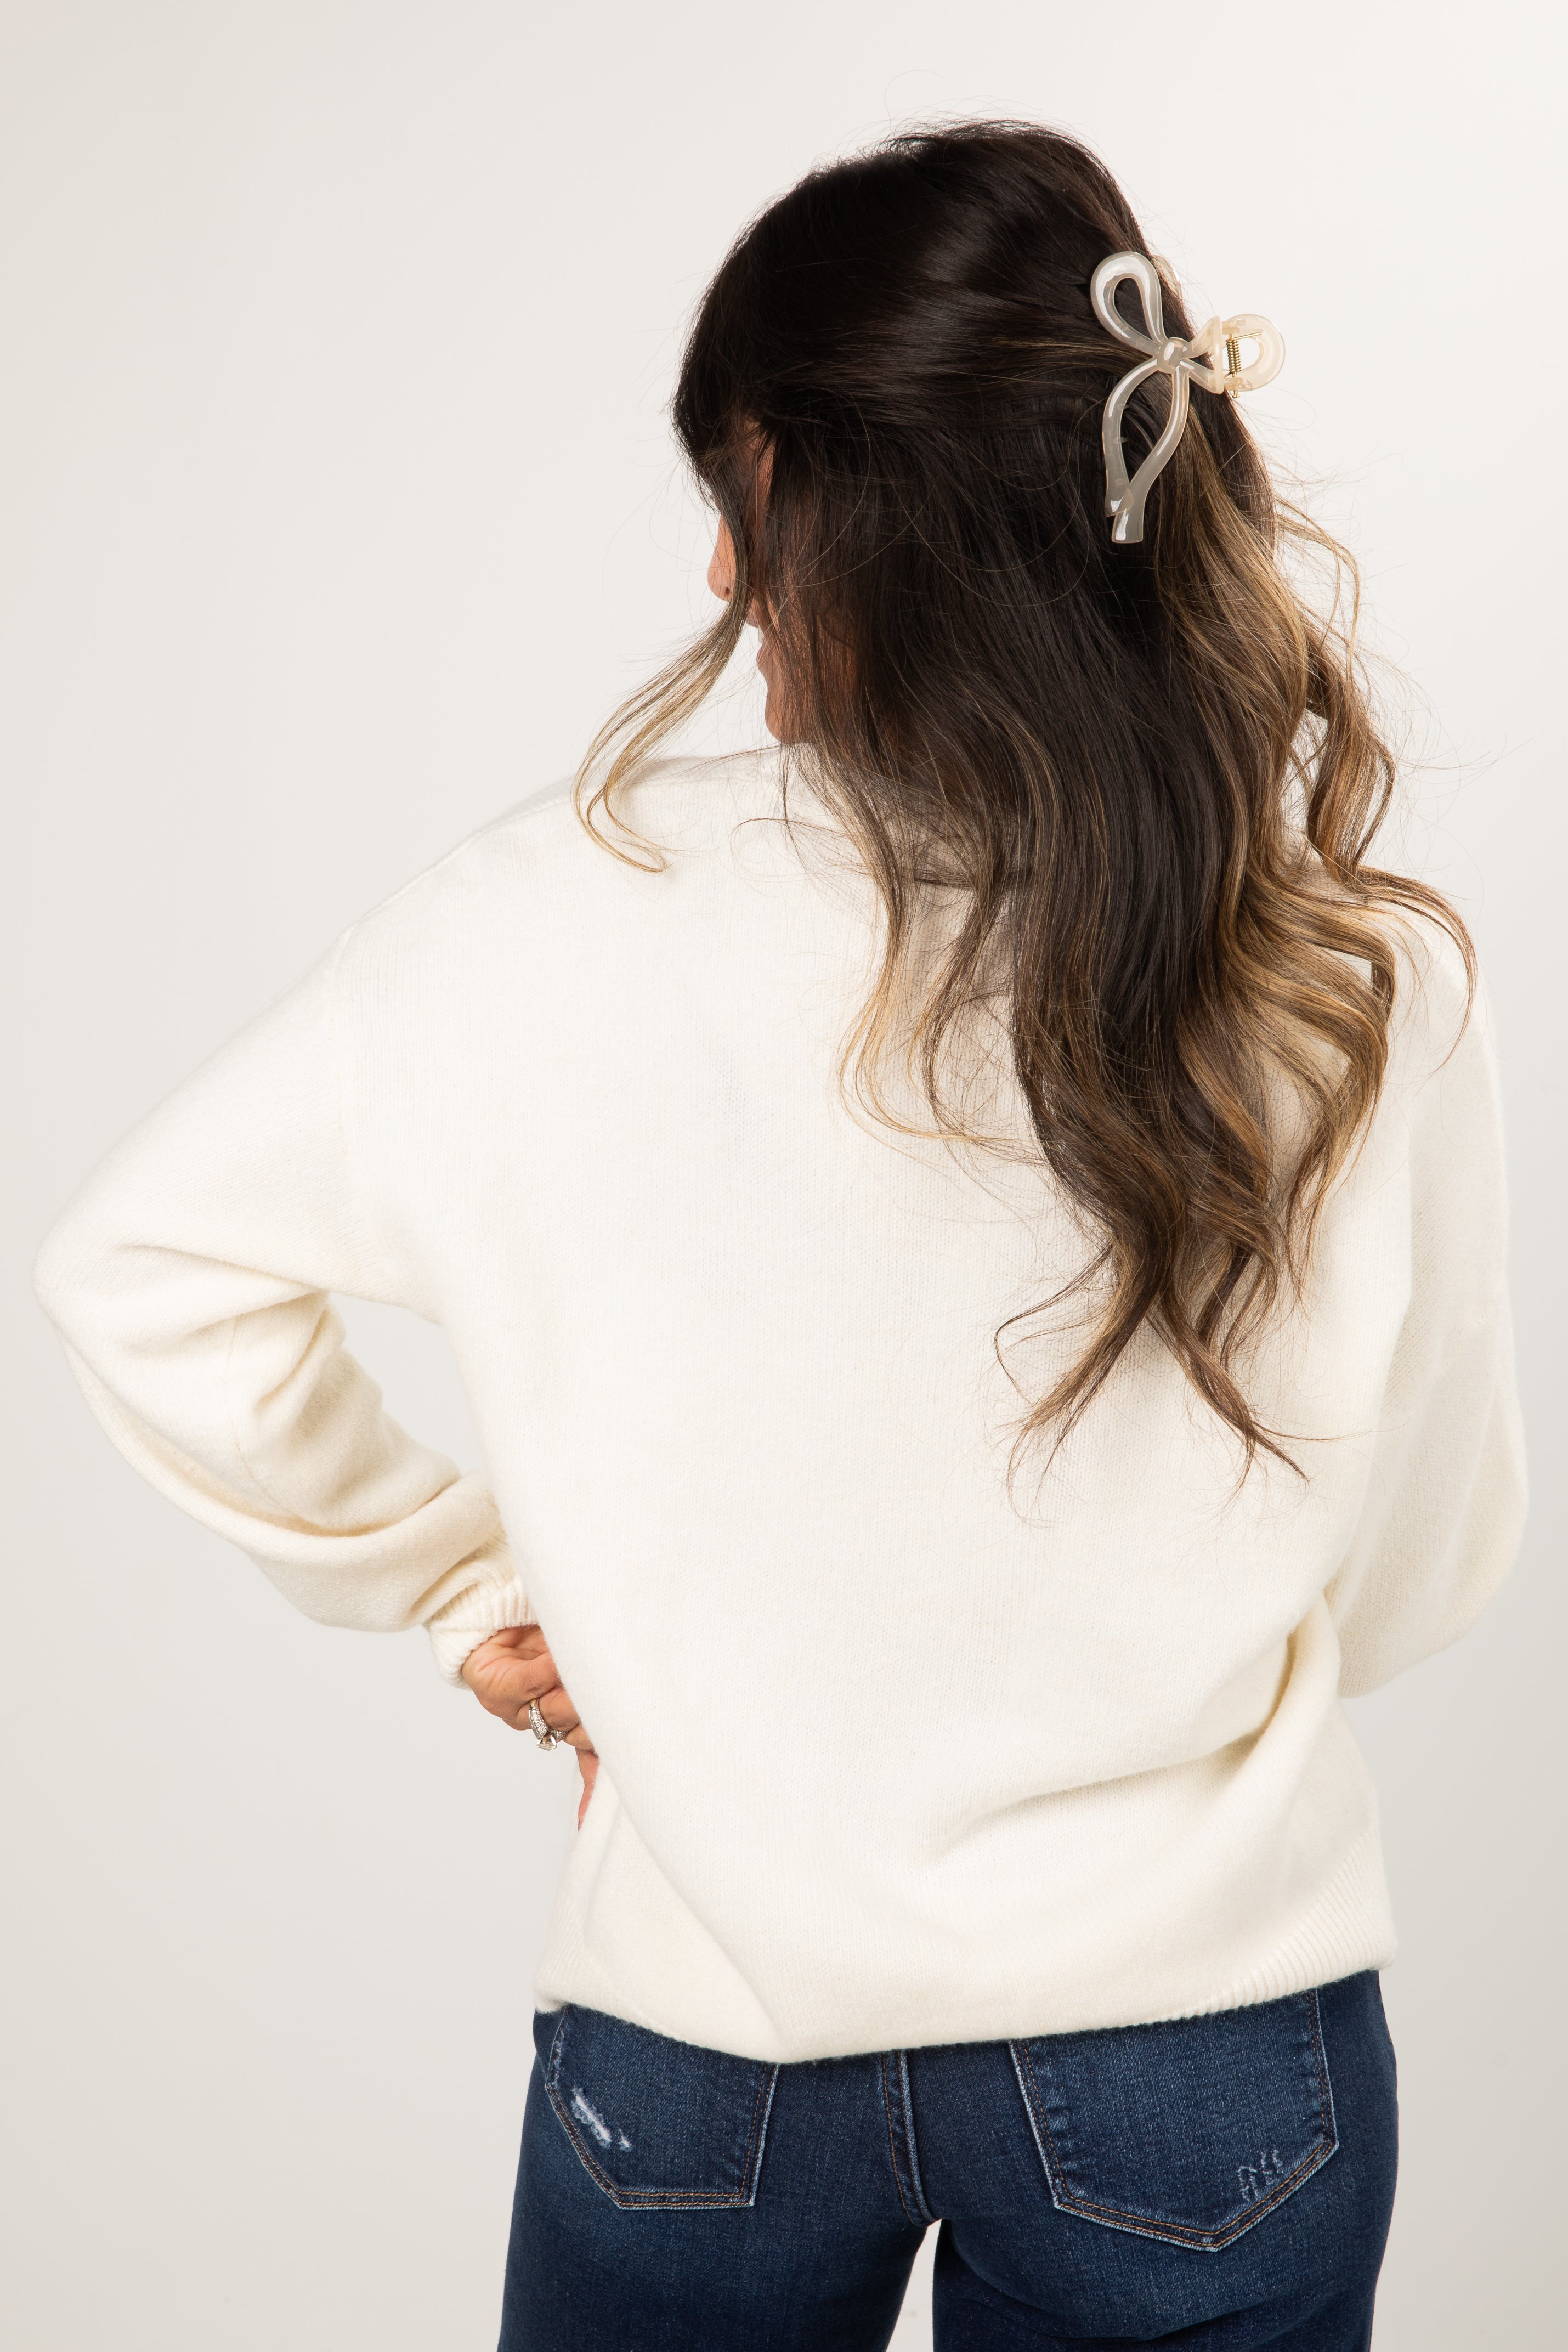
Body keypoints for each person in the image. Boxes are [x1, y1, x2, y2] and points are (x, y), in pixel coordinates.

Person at [34, 121, 1524, 2351]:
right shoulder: (1347, 975)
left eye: (741, 500)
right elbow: (1424, 1555)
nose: (722, 583)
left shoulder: (553, 919)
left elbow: (136, 1269)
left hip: (707, 2033)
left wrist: (466, 1579)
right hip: (1207, 2064)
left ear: (877, 517)